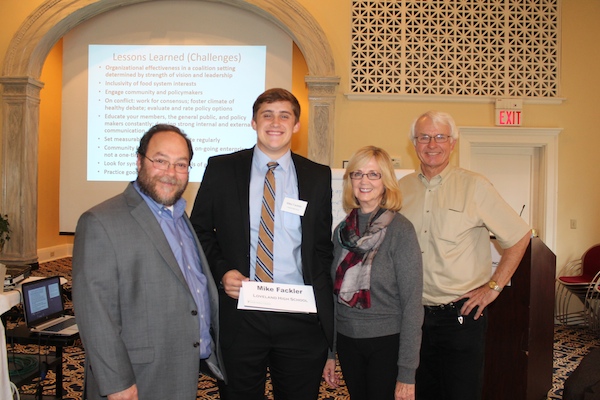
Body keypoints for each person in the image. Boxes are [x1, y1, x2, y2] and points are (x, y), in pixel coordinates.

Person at [190, 88, 334, 400]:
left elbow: (321, 247)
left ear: (296, 125)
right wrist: (222, 271)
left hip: (299, 313)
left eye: (285, 115)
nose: (275, 122)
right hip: (241, 312)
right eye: (266, 115)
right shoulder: (222, 168)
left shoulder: (317, 176)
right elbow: (199, 229)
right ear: (254, 122)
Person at [72, 124, 225, 400]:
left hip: (180, 367)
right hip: (136, 379)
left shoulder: (181, 218)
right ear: (139, 161)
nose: (171, 172)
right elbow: (95, 313)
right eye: (161, 161)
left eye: (181, 164)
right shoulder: (101, 221)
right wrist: (116, 382)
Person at [398, 111, 531, 400]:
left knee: (461, 393)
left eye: (440, 137)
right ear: (414, 143)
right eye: (424, 137)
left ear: (453, 143)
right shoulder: (400, 190)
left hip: (460, 315)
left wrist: (493, 288)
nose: (432, 144)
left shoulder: (476, 186)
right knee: (419, 393)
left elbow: (520, 236)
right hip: (411, 318)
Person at [322, 146, 424, 400]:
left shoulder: (401, 231)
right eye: (357, 174)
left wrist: (407, 373)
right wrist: (330, 353)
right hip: (347, 340)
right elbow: (333, 297)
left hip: (387, 342)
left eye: (373, 174)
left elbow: (412, 304)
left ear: (386, 182)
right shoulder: (342, 231)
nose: (364, 181)